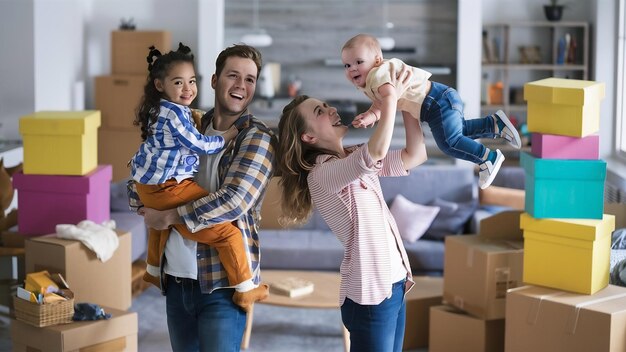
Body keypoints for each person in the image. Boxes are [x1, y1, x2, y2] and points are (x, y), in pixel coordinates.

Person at [128, 44, 276, 351]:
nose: (241, 85)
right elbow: (138, 180)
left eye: (249, 79)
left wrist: (166, 215)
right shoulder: (189, 123)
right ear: (213, 80)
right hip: (176, 279)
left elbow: (234, 200)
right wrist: (145, 202)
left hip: (221, 285)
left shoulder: (257, 137)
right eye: (233, 75)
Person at [275, 66, 424, 352]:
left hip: (395, 283)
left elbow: (416, 154)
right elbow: (376, 153)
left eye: (326, 105)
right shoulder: (320, 173)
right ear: (308, 137)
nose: (331, 109)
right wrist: (390, 98)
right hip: (369, 295)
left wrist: (407, 103)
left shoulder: (353, 156)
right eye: (320, 111)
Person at [341, 34, 522, 189]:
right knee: (457, 134)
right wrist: (371, 115)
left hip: (435, 101)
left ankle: (487, 158)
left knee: (448, 143)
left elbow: (389, 99)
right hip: (439, 99)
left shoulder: (376, 75)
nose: (352, 69)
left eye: (358, 62)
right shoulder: (372, 81)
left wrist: (379, 112)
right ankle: (494, 124)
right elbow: (383, 101)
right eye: (347, 65)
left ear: (377, 60)